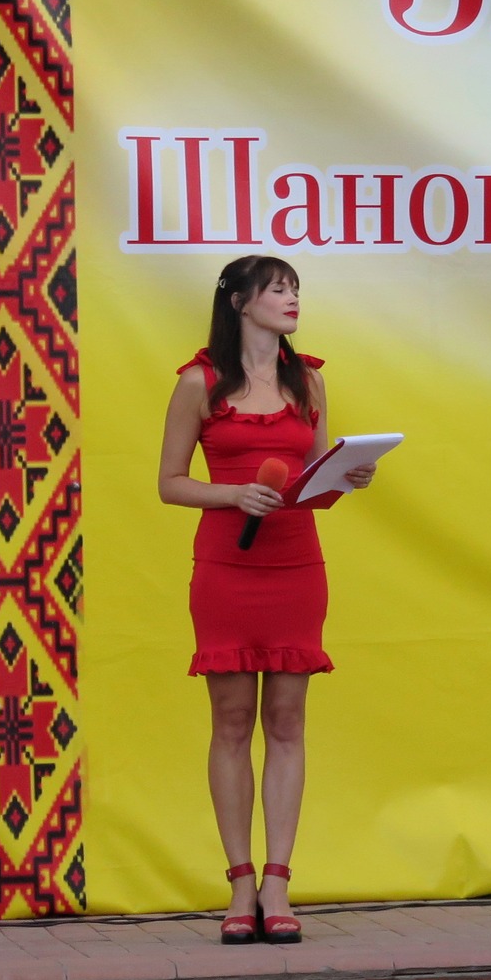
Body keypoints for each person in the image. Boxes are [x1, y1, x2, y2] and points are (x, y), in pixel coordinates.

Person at [158, 255, 374, 944]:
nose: (291, 299)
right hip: (226, 565)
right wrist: (232, 493)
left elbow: (313, 482)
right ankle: (240, 882)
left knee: (286, 719)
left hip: (295, 563)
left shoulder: (307, 380)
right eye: (279, 289)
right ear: (239, 301)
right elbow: (169, 482)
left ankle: (278, 881)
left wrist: (347, 477)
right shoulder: (198, 383)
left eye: (295, 289)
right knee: (230, 721)